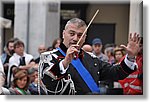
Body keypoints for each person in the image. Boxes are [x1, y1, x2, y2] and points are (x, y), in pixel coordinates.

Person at [39, 18, 141, 95]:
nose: (75, 38)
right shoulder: (48, 57)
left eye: (80, 35)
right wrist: (65, 62)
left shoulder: (91, 58)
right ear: (63, 34)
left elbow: (115, 72)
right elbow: (47, 83)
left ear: (85, 38)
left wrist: (130, 57)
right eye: (72, 33)